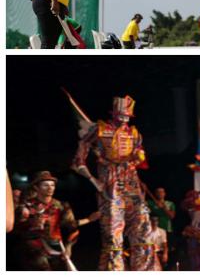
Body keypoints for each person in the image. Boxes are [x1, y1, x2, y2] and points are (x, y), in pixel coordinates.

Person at [71, 95, 156, 271]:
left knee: (143, 229)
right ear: (114, 114)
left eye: (127, 115)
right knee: (113, 234)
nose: (124, 118)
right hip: (111, 184)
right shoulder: (99, 130)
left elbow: (140, 155)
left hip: (131, 183)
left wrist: (139, 156)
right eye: (121, 114)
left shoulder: (134, 133)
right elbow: (78, 161)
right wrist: (94, 181)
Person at [12, 171, 79, 271]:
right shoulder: (26, 206)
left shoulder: (61, 206)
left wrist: (69, 247)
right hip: (32, 250)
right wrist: (30, 223)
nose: (50, 188)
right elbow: (14, 229)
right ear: (36, 187)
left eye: (52, 185)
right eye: (45, 185)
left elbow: (73, 228)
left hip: (56, 249)